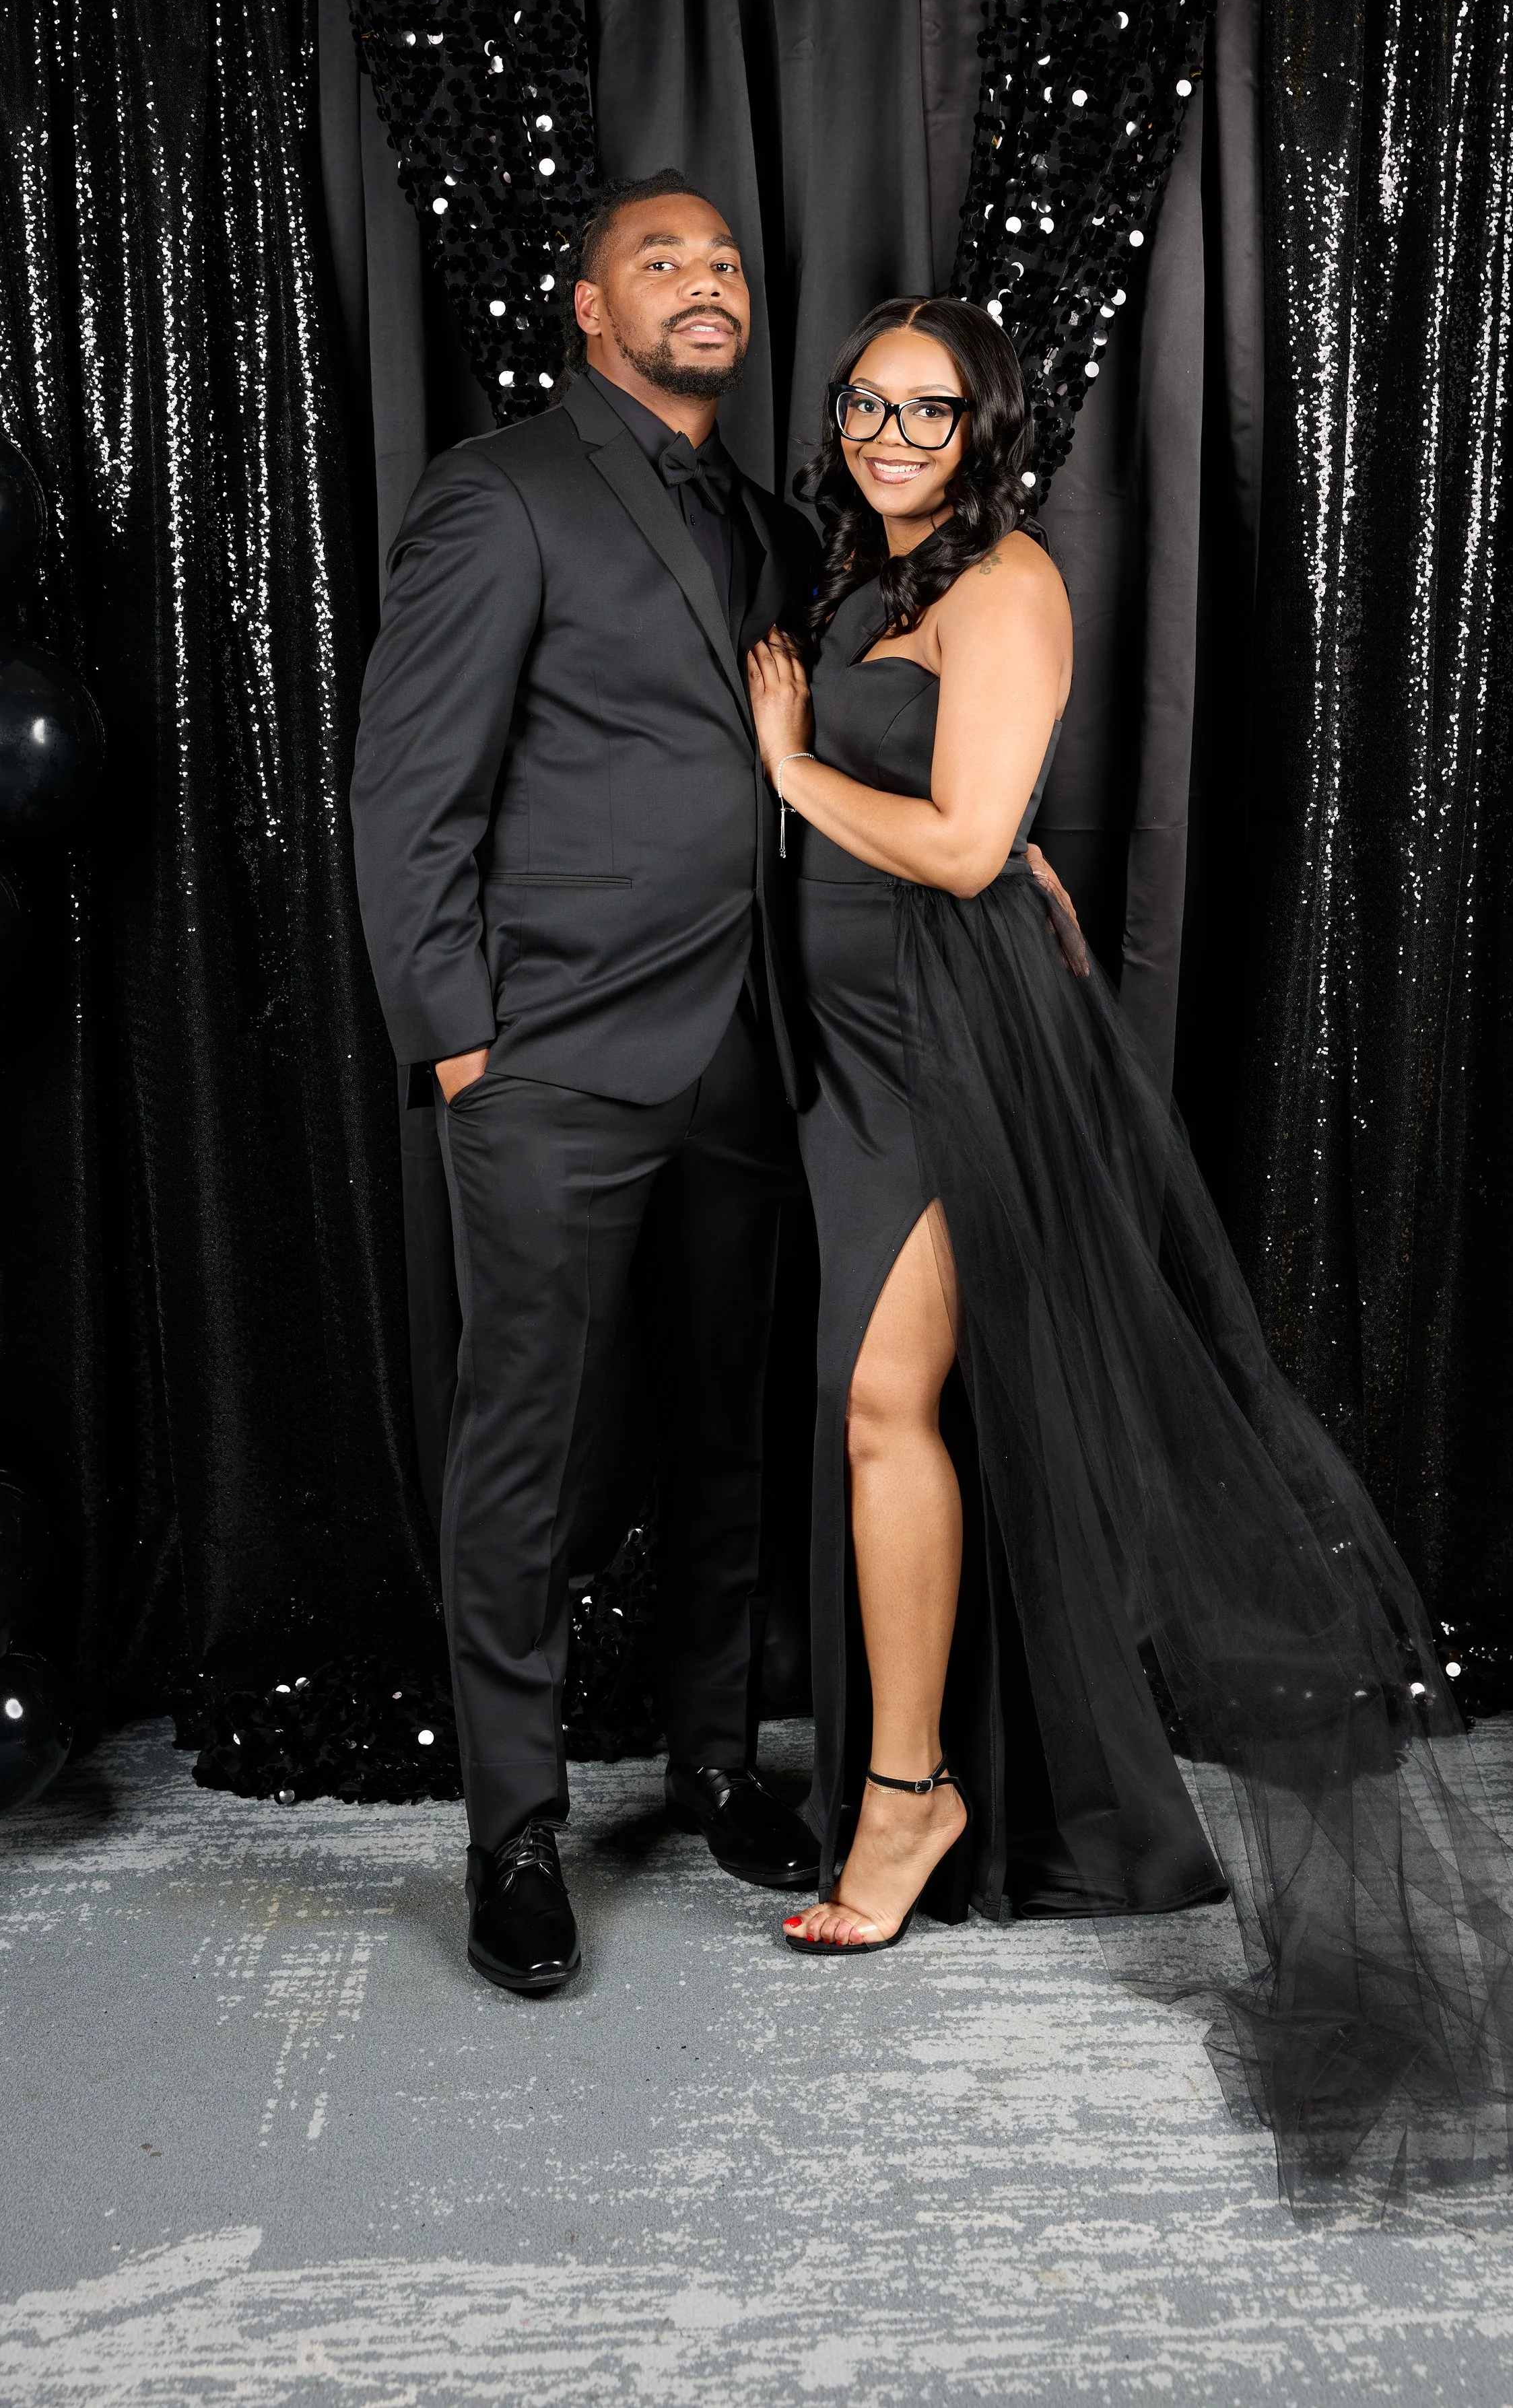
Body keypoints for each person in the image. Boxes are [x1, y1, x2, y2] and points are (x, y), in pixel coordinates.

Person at [744, 296, 1513, 2211]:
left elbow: (960, 840)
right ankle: (934, 1773)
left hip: (951, 1044)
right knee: (902, 1410)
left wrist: (786, 765)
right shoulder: (865, 573)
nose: (892, 429)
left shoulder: (1001, 583)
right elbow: (985, 851)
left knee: (877, 1404)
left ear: (987, 425)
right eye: (868, 400)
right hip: (852, 1046)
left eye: (930, 406)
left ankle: (909, 1799)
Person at [351, 170, 821, 1998]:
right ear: (585, 305)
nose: (705, 281)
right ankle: (515, 1826)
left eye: (723, 259)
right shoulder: (500, 492)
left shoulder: (775, 525)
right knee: (525, 1442)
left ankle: (714, 1754)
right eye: (661, 259)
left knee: (727, 1426)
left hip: (747, 1049)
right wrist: (460, 1032)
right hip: (549, 1046)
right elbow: (409, 793)